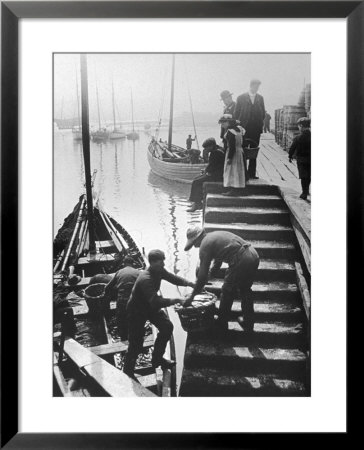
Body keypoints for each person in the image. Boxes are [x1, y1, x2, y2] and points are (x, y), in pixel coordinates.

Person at [123, 249, 195, 379]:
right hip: (137, 310)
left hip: (149, 307)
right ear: (152, 262)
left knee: (167, 327)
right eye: (160, 261)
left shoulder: (159, 271)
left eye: (163, 260)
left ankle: (157, 359)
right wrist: (177, 300)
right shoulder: (146, 278)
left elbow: (173, 278)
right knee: (136, 342)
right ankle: (128, 370)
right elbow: (156, 302)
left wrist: (190, 284)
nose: (163, 264)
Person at [184, 226, 260, 333]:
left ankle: (221, 323)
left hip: (241, 259)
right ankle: (248, 322)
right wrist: (210, 275)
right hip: (253, 255)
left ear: (197, 239)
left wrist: (192, 297)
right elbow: (217, 262)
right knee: (245, 289)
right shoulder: (213, 236)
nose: (195, 247)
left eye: (194, 244)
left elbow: (201, 277)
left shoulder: (204, 245)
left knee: (227, 291)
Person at [234, 79, 265, 179]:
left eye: (258, 87)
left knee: (254, 150)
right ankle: (243, 173)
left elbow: (263, 113)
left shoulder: (260, 98)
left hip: (255, 129)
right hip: (244, 128)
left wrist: (259, 123)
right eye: (255, 86)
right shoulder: (241, 98)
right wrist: (238, 124)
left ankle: (252, 173)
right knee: (242, 150)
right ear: (250, 86)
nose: (256, 89)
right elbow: (236, 113)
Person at [104, 256, 140, 340]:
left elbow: (108, 287)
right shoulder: (138, 272)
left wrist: (107, 298)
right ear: (133, 264)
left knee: (121, 318)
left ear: (124, 263)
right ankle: (136, 336)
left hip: (122, 299)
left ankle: (123, 337)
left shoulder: (119, 272)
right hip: (134, 300)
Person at [187, 137, 225, 212]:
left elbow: (211, 166)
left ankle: (197, 203)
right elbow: (213, 165)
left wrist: (206, 171)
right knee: (197, 179)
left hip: (217, 176)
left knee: (196, 182)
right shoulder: (220, 149)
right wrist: (206, 171)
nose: (206, 150)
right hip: (220, 173)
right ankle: (196, 202)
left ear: (211, 146)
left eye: (207, 148)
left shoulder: (215, 153)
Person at [219, 114, 246, 196]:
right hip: (239, 151)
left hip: (233, 153)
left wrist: (230, 158)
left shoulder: (230, 132)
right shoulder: (240, 129)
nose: (222, 125)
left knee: (232, 170)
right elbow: (242, 142)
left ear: (228, 123)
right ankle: (239, 188)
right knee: (238, 170)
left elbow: (231, 146)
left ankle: (233, 189)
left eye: (223, 123)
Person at [289, 117, 311, 200]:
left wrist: (290, 156)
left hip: (301, 160)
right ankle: (307, 190)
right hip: (311, 160)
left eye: (299, 126)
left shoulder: (298, 138)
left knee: (303, 176)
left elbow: (292, 148)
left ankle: (304, 192)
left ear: (301, 126)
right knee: (309, 175)